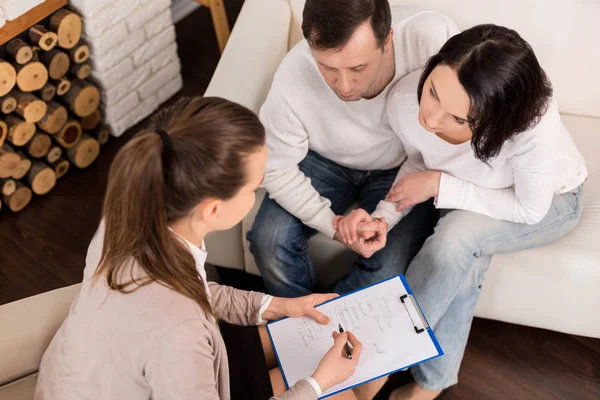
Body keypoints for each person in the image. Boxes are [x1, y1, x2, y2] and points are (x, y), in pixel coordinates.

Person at [34, 97, 369, 400]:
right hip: (151, 372)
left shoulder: (130, 212)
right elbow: (178, 316)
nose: (260, 190)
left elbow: (193, 289)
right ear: (213, 210)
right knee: (338, 389)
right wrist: (318, 384)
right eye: (255, 187)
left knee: (304, 342)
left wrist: (279, 305)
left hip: (107, 369)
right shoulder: (179, 332)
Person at [335, 25, 587, 399]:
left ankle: (374, 370)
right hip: (473, 194)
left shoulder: (533, 124)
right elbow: (418, 161)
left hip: (550, 200)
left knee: (456, 239)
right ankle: (431, 383)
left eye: (458, 119)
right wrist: (384, 217)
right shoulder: (407, 100)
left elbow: (530, 208)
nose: (431, 119)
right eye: (433, 93)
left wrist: (439, 184)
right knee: (464, 258)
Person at [247, 0, 459, 298]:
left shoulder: (431, 40)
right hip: (322, 161)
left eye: (358, 67)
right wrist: (333, 226)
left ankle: (329, 329)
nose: (344, 85)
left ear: (387, 41)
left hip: (403, 166)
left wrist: (383, 218)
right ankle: (306, 326)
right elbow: (274, 166)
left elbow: (447, 141)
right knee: (269, 240)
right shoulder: (295, 72)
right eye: (328, 67)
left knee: (386, 272)